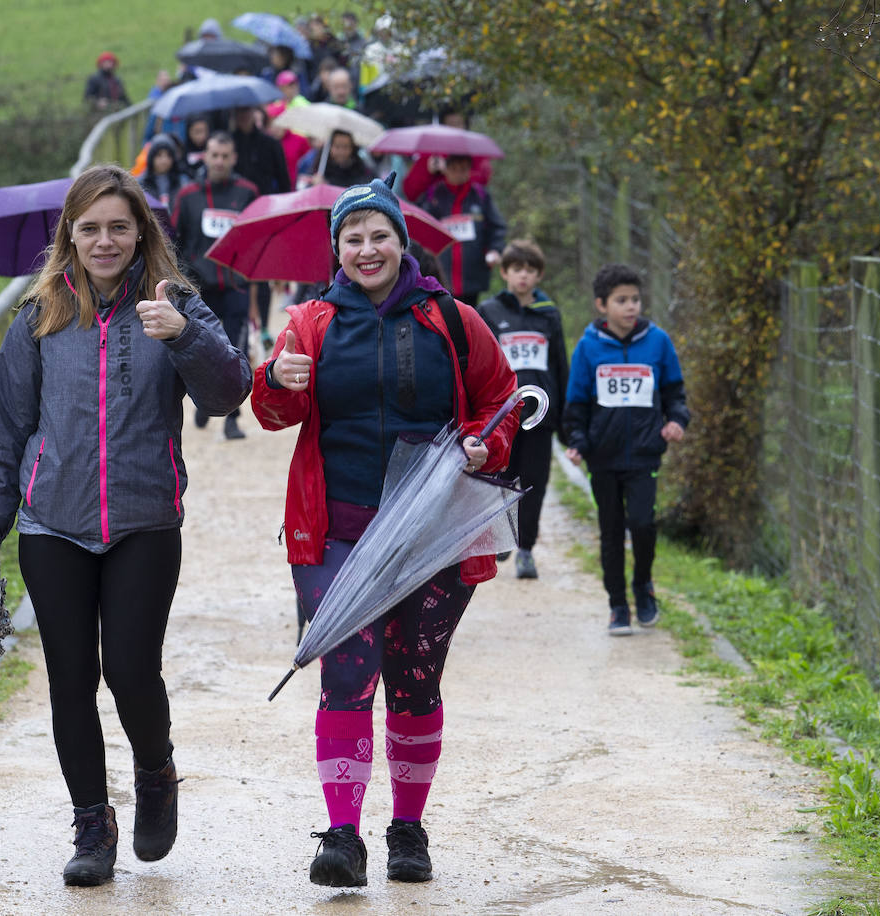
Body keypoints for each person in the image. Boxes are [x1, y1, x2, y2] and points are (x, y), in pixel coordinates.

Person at [0, 165, 252, 887]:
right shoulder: (39, 314)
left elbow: (229, 391)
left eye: (119, 226)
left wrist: (183, 336)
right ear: (70, 236)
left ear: (140, 231)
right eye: (89, 227)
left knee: (129, 669)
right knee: (69, 678)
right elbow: (5, 429)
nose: (105, 239)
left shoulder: (175, 302)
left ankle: (155, 774)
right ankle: (92, 822)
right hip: (52, 523)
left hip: (145, 521)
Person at [251, 177, 518, 887]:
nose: (367, 250)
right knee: (344, 675)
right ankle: (341, 837)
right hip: (335, 533)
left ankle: (407, 830)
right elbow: (273, 414)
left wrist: (483, 445)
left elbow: (501, 400)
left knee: (414, 680)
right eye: (353, 239)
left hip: (432, 535)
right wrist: (277, 379)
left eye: (379, 236)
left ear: (402, 243)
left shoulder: (453, 320)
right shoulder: (311, 323)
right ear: (337, 250)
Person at [563, 263, 689, 635]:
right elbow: (578, 405)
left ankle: (643, 589)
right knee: (612, 531)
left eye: (635, 299)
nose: (631, 307)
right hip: (603, 457)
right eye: (622, 300)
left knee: (643, 523)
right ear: (602, 305)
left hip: (645, 453)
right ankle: (618, 604)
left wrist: (677, 421)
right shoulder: (588, 347)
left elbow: (674, 393)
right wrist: (577, 442)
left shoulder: (658, 342)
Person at [476, 240, 568, 579]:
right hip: (503, 417)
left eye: (530, 270)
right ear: (505, 273)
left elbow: (560, 364)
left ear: (539, 274)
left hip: (540, 418)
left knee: (535, 483)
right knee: (501, 478)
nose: (524, 276)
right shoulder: (490, 311)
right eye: (517, 270)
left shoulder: (549, 315)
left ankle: (526, 549)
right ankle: (501, 535)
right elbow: (482, 362)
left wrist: (564, 417)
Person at [172, 132, 261, 439]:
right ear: (205, 156)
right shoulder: (187, 196)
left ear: (233, 158)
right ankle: (203, 400)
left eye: (225, 156)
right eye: (214, 155)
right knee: (202, 348)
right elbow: (175, 242)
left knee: (235, 348)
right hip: (200, 289)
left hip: (235, 284)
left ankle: (232, 418)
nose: (220, 161)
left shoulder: (247, 192)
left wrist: (255, 293)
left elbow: (254, 242)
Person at [415, 154, 507, 306]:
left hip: (472, 271)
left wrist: (495, 250)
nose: (458, 174)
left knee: (470, 314)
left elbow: (497, 226)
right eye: (454, 169)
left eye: (463, 169)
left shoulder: (480, 195)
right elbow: (421, 225)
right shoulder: (433, 195)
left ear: (470, 170)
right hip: (441, 270)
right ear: (445, 169)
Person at [231, 105, 291, 195]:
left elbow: (283, 178)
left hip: (263, 196)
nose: (243, 116)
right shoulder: (230, 143)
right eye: (239, 112)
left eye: (246, 111)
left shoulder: (270, 143)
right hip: (236, 198)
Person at [301, 129, 375, 187]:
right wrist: (314, 184)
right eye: (337, 146)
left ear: (352, 148)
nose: (341, 152)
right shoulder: (319, 167)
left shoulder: (361, 170)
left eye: (346, 147)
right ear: (330, 147)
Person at [138, 132, 185, 210]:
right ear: (151, 157)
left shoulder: (182, 183)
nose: (164, 160)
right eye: (159, 155)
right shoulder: (141, 184)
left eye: (168, 155)